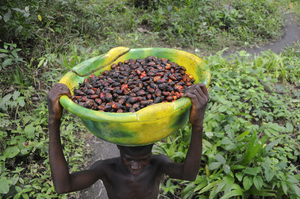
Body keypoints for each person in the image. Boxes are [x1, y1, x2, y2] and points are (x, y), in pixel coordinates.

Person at [47, 82, 209, 199]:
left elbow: (188, 174)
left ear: (153, 147)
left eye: (144, 159)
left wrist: (197, 125)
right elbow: (63, 186)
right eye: (129, 159)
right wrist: (53, 121)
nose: (135, 166)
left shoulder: (158, 164)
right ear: (118, 146)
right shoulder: (106, 169)